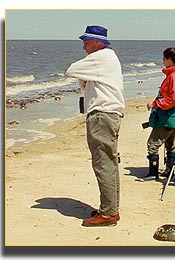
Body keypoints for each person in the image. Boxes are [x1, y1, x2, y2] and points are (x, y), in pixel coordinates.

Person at [65, 25, 125, 226]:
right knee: (109, 162)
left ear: (97, 42)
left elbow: (71, 70)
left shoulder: (101, 57)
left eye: (86, 41)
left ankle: (108, 213)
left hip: (102, 115)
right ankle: (110, 209)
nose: (83, 46)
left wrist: (85, 76)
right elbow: (86, 81)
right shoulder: (108, 58)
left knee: (103, 163)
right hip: (109, 114)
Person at [143, 47, 175, 181]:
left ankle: (153, 173)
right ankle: (169, 170)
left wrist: (156, 104)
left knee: (153, 143)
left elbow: (174, 98)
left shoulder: (174, 75)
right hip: (169, 116)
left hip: (167, 116)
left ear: (170, 59)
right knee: (170, 143)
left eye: (164, 59)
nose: (162, 62)